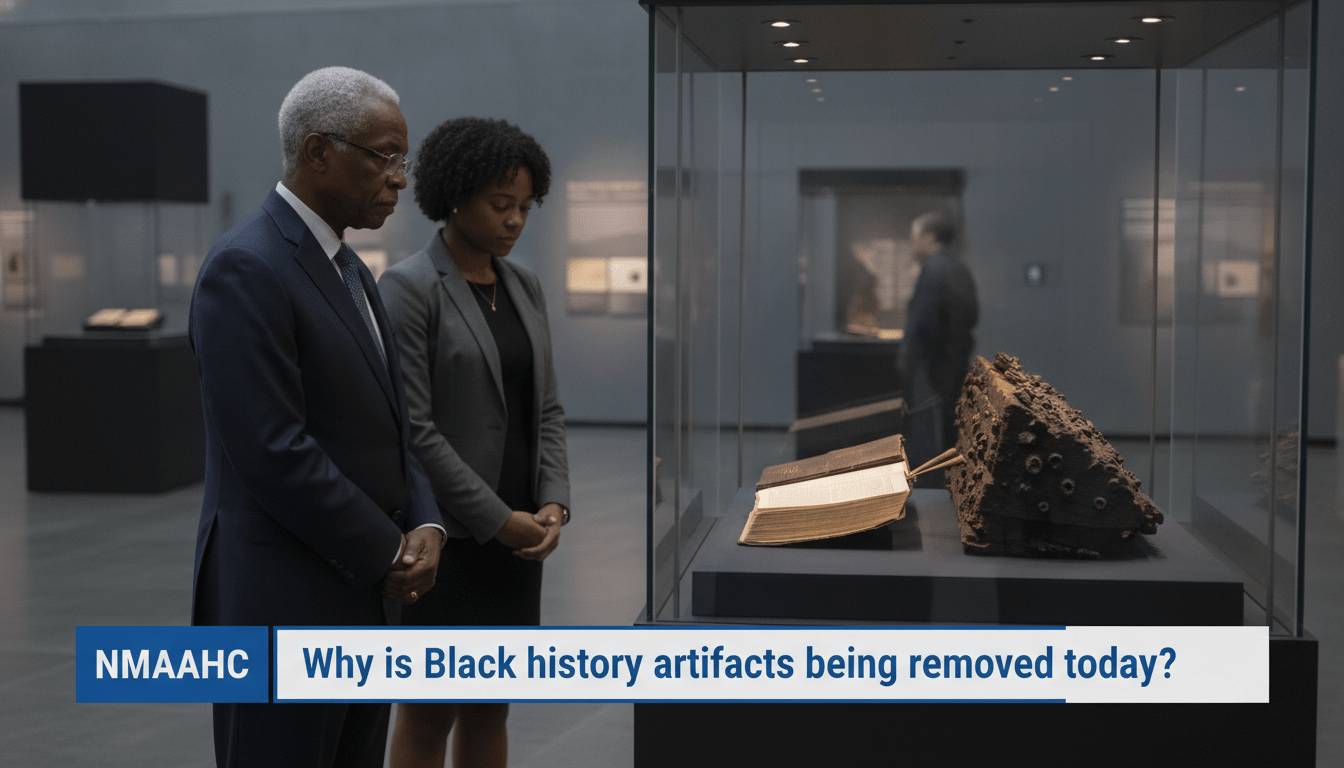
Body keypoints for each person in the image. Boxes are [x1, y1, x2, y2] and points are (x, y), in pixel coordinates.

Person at [188, 66, 445, 768]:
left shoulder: (350, 268)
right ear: (318, 152)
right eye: (385, 156)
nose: (399, 177)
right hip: (282, 603)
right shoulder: (247, 267)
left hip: (359, 595)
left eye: (404, 158)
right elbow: (274, 451)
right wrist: (386, 550)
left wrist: (424, 520)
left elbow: (395, 420)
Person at [379, 117, 571, 768]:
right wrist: (497, 522)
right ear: (455, 197)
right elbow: (416, 428)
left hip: (520, 538)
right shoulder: (408, 288)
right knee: (429, 711)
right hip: (451, 541)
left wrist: (554, 504)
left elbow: (545, 407)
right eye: (500, 205)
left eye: (524, 207)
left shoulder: (525, 287)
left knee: (493, 705)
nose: (516, 221)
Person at [898, 211, 979, 470]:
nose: (912, 244)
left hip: (932, 368)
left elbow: (923, 321)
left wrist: (907, 361)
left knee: (929, 442)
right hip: (953, 364)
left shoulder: (934, 269)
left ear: (928, 237)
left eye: (914, 237)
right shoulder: (957, 267)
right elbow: (972, 315)